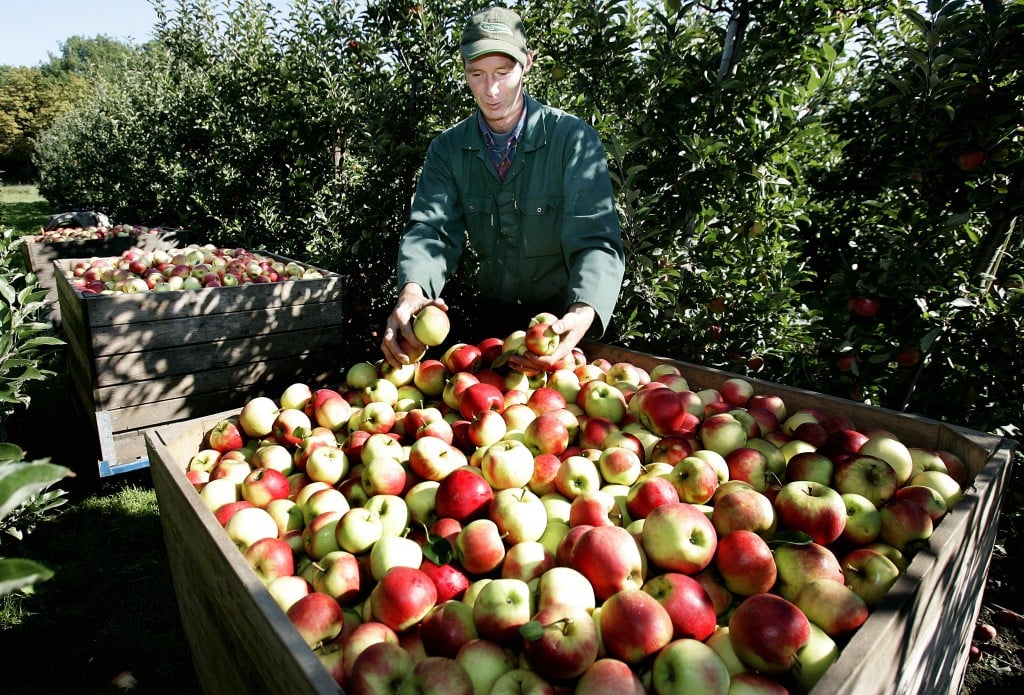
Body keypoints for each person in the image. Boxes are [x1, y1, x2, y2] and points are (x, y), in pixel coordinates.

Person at [381, 5, 625, 372]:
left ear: (526, 63)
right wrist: (414, 290)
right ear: (463, 71)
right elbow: (431, 231)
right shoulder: (448, 150)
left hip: (564, 328)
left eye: (503, 72)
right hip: (492, 330)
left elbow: (595, 239)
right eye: (477, 73)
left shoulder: (572, 140)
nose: (491, 90)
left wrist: (584, 309)